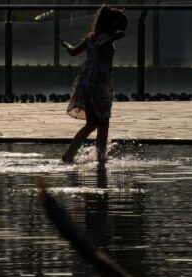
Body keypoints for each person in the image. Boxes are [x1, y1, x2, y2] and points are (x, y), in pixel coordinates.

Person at [60, 6, 128, 163]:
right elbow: (102, 44)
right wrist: (114, 37)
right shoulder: (105, 39)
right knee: (100, 123)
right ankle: (93, 156)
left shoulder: (91, 38)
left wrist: (66, 45)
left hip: (86, 83)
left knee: (95, 123)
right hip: (99, 85)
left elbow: (74, 52)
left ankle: (80, 154)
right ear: (112, 25)